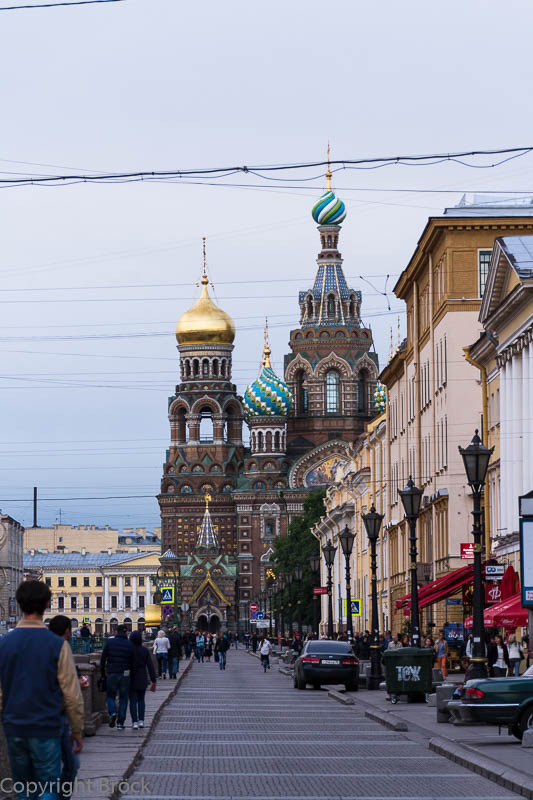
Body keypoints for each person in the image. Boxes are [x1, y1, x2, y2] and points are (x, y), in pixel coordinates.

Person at [0, 581, 84, 800]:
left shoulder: (3, 644)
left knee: (24, 789)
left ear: (19, 604)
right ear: (47, 603)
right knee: (49, 788)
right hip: (46, 727)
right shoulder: (57, 645)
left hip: (14, 727)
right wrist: (76, 731)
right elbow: (71, 695)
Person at [48, 615, 88, 796]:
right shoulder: (61, 648)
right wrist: (77, 730)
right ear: (67, 631)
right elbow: (70, 694)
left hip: (21, 721)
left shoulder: (10, 642)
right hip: (57, 717)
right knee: (68, 766)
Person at [100, 623, 135, 730]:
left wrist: (102, 673)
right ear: (126, 632)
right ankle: (120, 723)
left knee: (110, 696)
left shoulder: (110, 642)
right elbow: (133, 660)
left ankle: (113, 712)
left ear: (116, 632)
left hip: (112, 672)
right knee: (123, 698)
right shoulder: (130, 644)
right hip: (125, 673)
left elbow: (103, 658)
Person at [129, 630, 156, 729]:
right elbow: (150, 666)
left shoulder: (129, 650)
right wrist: (154, 680)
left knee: (132, 701)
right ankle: (141, 721)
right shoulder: (144, 650)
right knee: (141, 700)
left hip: (131, 678)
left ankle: (134, 722)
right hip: (142, 677)